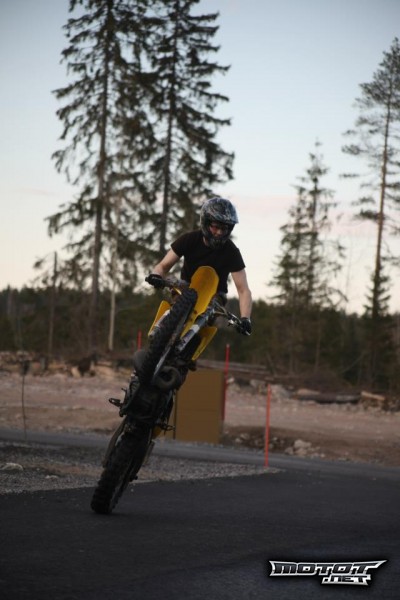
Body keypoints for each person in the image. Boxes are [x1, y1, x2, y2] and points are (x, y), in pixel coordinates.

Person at [146, 197, 252, 335]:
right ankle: (161, 328)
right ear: (206, 223)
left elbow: (243, 290)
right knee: (176, 303)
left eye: (224, 228)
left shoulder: (231, 252)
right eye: (216, 227)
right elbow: (163, 265)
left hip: (215, 294)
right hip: (186, 287)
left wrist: (245, 318)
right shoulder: (189, 239)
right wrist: (156, 275)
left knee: (206, 315)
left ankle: (193, 338)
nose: (219, 232)